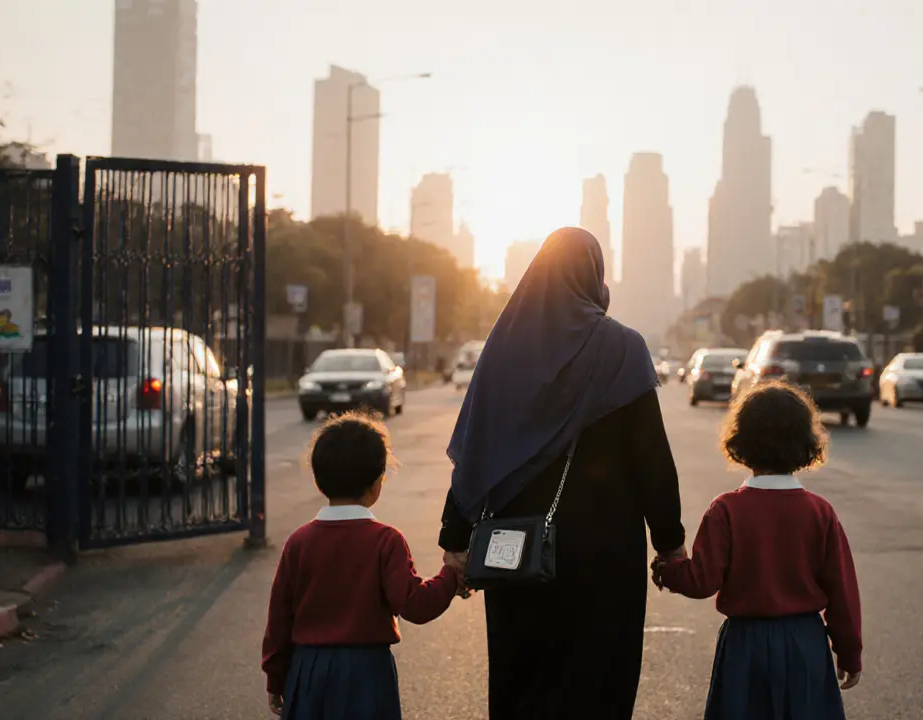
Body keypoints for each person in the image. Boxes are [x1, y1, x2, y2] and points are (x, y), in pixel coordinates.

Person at [438, 227, 686, 719]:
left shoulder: (503, 353)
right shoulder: (623, 349)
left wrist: (455, 538)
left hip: (513, 546)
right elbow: (651, 459)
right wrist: (670, 543)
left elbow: (476, 449)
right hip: (605, 551)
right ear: (594, 275)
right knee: (598, 680)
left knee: (522, 677)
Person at [653, 381, 863, 720]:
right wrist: (849, 654)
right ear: (806, 445)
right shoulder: (820, 512)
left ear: (740, 443)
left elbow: (702, 581)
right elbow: (843, 592)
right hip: (804, 642)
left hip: (744, 645)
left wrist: (667, 569)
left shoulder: (725, 510)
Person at [262, 412, 463, 719]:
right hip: (367, 673)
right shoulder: (385, 541)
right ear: (376, 484)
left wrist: (277, 677)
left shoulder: (298, 543)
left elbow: (279, 619)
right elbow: (415, 604)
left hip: (309, 669)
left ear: (319, 482)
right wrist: (451, 575)